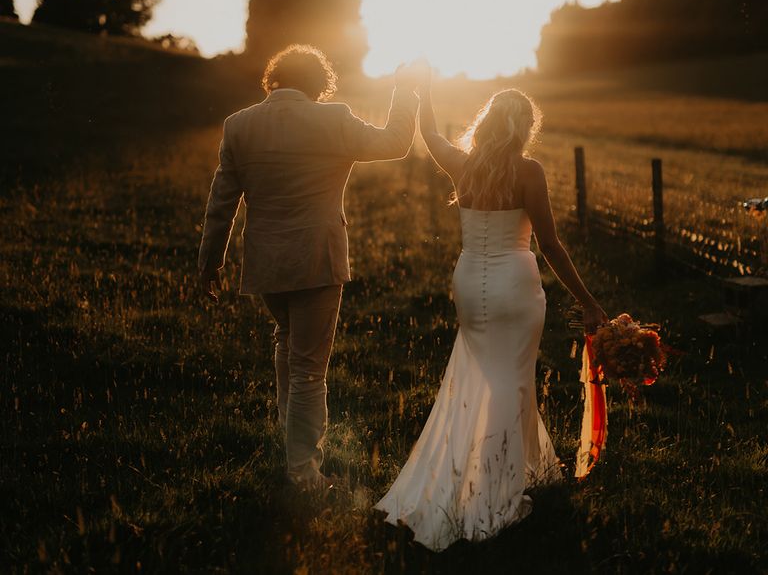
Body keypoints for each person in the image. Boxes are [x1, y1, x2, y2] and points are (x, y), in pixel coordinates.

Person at [375, 63, 607, 550]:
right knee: (512, 380)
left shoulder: (465, 165)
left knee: (487, 378)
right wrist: (587, 300)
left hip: (469, 282)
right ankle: (492, 496)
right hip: (515, 287)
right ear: (524, 129)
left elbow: (431, 134)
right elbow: (551, 245)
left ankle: (515, 468)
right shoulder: (529, 172)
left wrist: (428, 92)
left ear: (486, 123)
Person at [198, 45, 420, 491]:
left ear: (274, 78)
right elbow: (396, 143)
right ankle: (303, 471)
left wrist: (209, 262)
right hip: (317, 258)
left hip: (265, 262)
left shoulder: (238, 125)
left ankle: (291, 446)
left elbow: (222, 202)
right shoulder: (332, 118)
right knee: (308, 368)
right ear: (319, 85)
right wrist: (404, 90)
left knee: (286, 341)